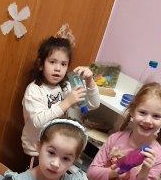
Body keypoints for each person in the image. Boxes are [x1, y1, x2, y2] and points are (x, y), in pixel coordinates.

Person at [21, 36, 101, 166]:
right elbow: (38, 122)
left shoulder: (66, 86)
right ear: (41, 64)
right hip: (37, 150)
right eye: (52, 62)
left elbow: (93, 104)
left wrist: (90, 81)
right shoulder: (34, 89)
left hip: (60, 149)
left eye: (63, 64)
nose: (58, 68)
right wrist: (66, 103)